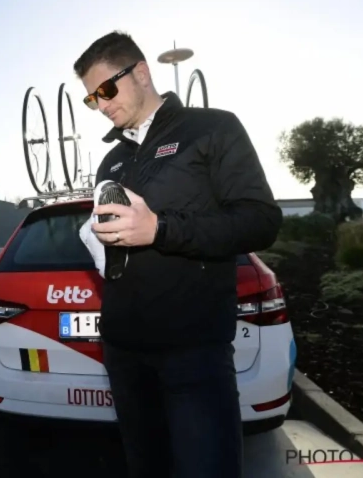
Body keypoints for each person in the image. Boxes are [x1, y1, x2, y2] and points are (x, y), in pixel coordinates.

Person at [73, 31, 283, 478]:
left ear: (142, 73)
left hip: (193, 352)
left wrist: (160, 228)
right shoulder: (111, 161)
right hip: (123, 351)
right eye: (92, 98)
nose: (102, 105)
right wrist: (97, 240)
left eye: (106, 89)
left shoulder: (212, 128)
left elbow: (261, 220)